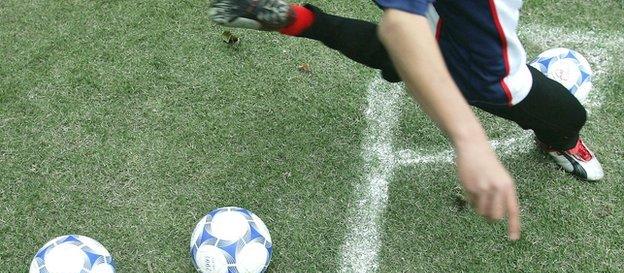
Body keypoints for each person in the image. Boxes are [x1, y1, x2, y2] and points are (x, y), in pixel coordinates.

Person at [207, 0, 605, 240]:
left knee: (409, 42)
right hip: (478, 59)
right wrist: (470, 141)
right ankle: (559, 139)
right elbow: (401, 28)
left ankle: (303, 21)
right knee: (568, 114)